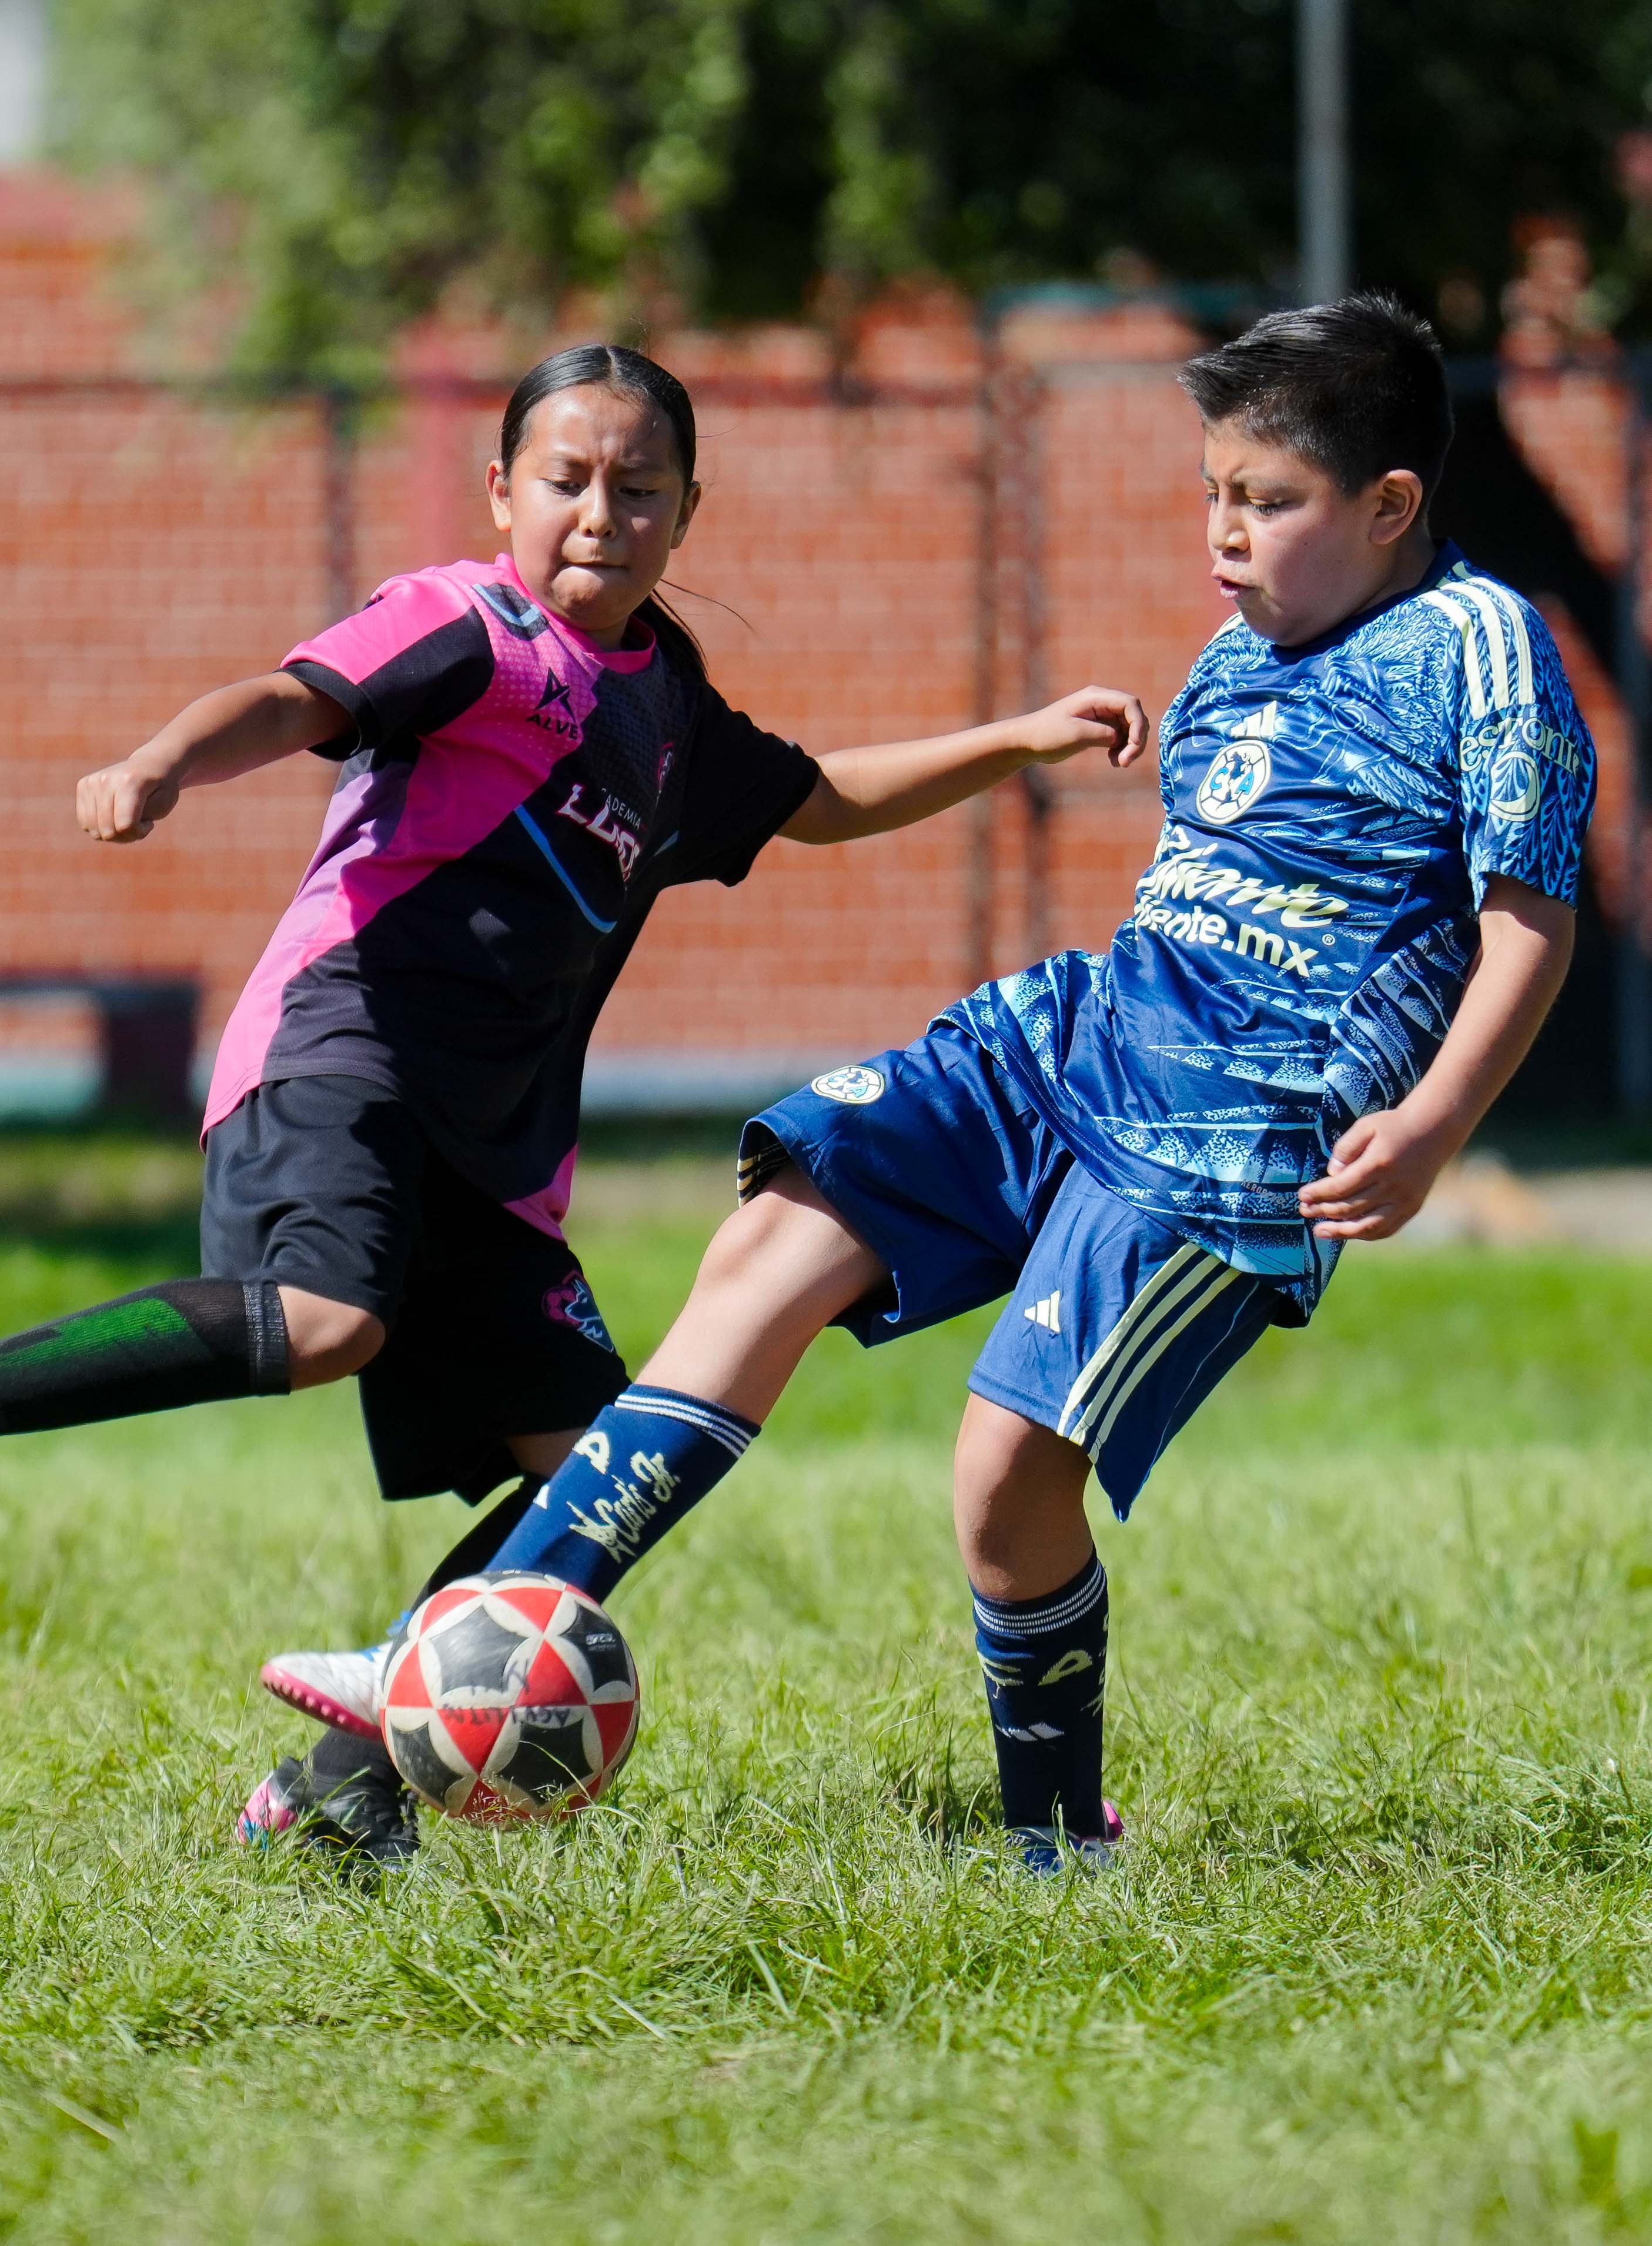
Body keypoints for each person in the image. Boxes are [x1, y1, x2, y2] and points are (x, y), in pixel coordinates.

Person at [0, 341, 1147, 1865]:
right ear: (501, 491)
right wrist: (165, 763)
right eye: (567, 479)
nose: (601, 512)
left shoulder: (666, 704)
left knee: (601, 1473)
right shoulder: (472, 630)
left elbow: (817, 799)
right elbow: (292, 696)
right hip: (344, 1058)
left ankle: (348, 1790)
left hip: (500, 1158)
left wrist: (1018, 740)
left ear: (686, 512)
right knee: (326, 1320)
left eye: (638, 488)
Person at [273, 295, 1594, 1873]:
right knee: (767, 1241)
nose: (1223, 535)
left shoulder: (1478, 646)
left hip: (1229, 1129)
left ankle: (1053, 1845)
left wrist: (1433, 1119)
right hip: (1075, 1036)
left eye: (1266, 503)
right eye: (1210, 495)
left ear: (1387, 507)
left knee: (999, 1478)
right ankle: (485, 1633)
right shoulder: (1238, 653)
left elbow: (1528, 913)